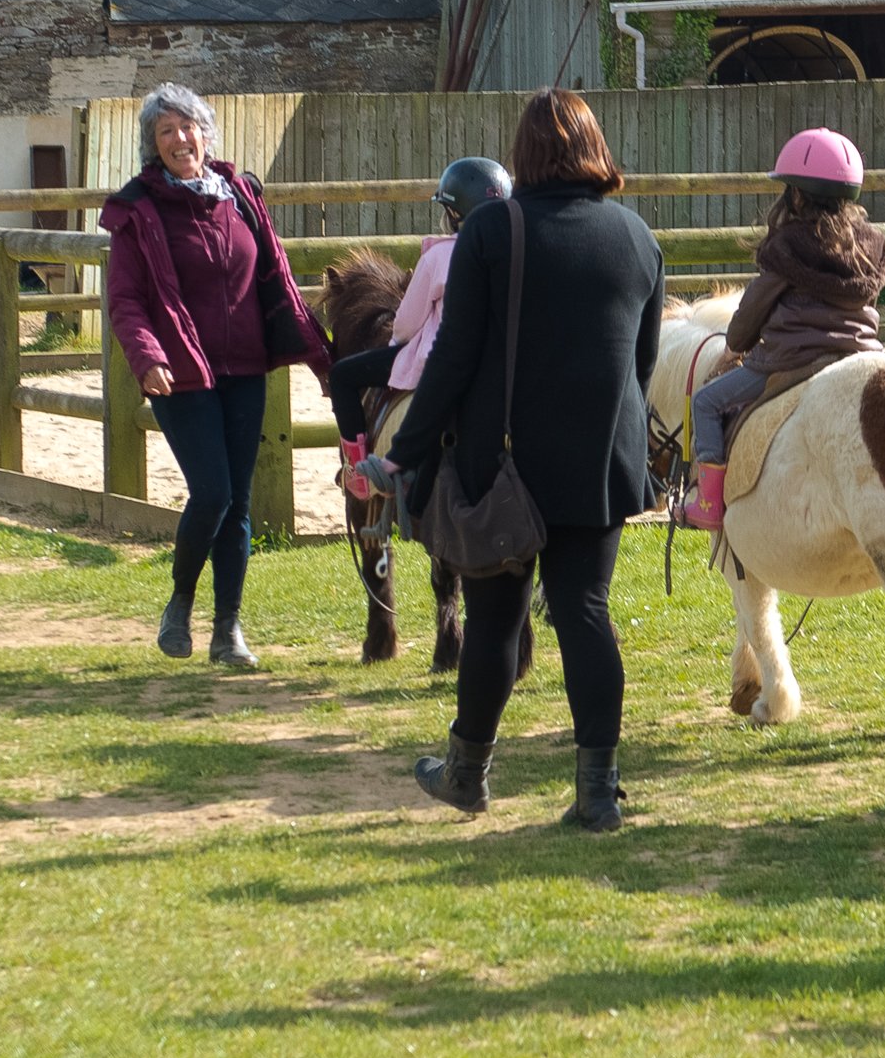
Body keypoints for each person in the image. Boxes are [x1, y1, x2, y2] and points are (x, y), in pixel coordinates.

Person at [370, 89, 668, 830]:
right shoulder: (637, 237)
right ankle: (598, 792)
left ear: (524, 153)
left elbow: (452, 361)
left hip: (503, 464)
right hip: (599, 461)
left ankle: (467, 775)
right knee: (585, 615)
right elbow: (642, 364)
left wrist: (403, 452)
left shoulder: (491, 232)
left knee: (496, 622)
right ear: (595, 146)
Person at [101, 82, 323, 672]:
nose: (180, 139)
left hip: (247, 370)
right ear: (153, 145)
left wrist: (317, 353)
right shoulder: (140, 210)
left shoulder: (242, 195)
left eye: (188, 127)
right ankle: (181, 601)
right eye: (166, 131)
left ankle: (229, 630)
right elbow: (124, 298)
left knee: (239, 501)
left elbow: (275, 274)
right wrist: (147, 356)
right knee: (214, 492)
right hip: (181, 376)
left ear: (206, 132)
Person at [679, 129, 885, 533]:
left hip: (790, 360)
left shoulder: (787, 249)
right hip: (861, 355)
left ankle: (708, 501)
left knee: (707, 402)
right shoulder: (870, 248)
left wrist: (738, 342)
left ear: (795, 195)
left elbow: (744, 327)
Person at [339, 155, 510, 501]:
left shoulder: (438, 256)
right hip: (503, 363)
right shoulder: (516, 249)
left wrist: (396, 342)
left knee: (342, 376)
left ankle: (358, 470)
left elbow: (407, 323)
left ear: (454, 213)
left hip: (442, 363)